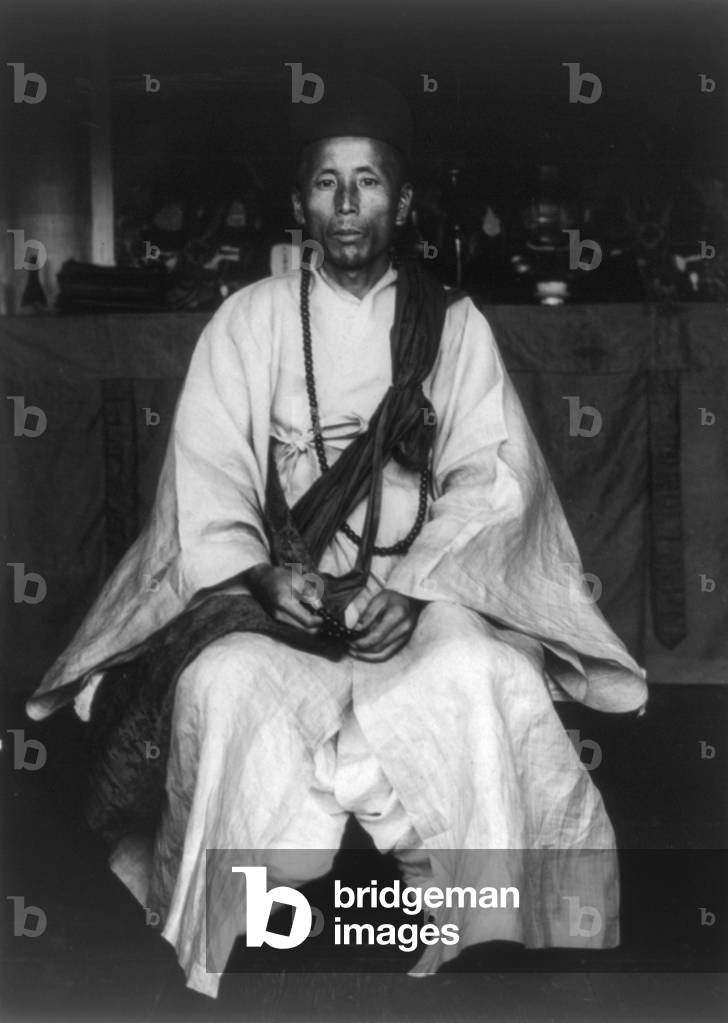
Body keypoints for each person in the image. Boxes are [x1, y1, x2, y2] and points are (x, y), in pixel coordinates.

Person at [26, 73, 647, 998]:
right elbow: (207, 471)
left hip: (416, 593)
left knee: (479, 673)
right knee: (222, 682)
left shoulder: (455, 327)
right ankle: (232, 920)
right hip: (286, 598)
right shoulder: (249, 321)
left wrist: (420, 589)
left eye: (369, 182)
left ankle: (475, 922)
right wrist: (262, 577)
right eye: (327, 182)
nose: (347, 204)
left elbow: (496, 475)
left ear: (402, 201)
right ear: (299, 200)